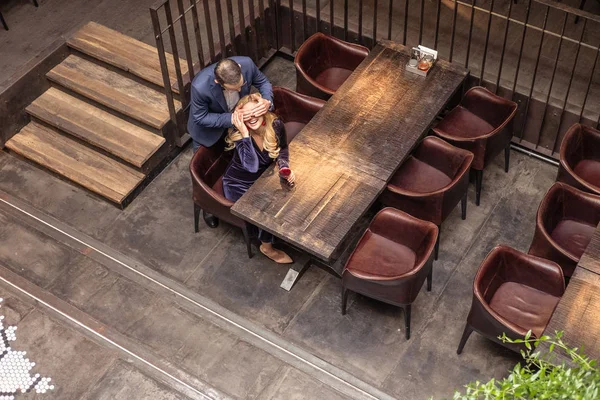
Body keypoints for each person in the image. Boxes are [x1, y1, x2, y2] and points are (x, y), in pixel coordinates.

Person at [188, 57, 273, 229]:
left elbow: (263, 82)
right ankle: (210, 206)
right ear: (218, 81)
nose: (241, 89)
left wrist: (267, 100)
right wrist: (233, 119)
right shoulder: (200, 87)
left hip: (237, 125)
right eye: (236, 89)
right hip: (208, 131)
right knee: (205, 173)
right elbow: (200, 117)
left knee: (238, 160)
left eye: (242, 85)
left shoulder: (247, 64)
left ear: (240, 68)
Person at [223, 93, 295, 264]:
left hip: (263, 178)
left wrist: (284, 166)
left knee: (291, 195)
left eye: (255, 112)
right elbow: (251, 167)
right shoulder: (240, 136)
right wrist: (245, 134)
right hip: (238, 184)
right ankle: (267, 248)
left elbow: (283, 148)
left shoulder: (275, 124)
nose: (253, 118)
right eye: (247, 116)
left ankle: (280, 232)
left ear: (263, 110)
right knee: (265, 211)